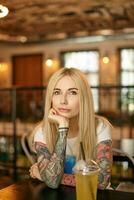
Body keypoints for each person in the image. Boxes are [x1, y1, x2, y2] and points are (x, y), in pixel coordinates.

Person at [29, 67, 113, 189]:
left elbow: (101, 181)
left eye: (72, 92)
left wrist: (46, 176)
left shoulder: (100, 127)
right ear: (50, 98)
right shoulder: (42, 132)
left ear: (84, 98)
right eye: (57, 92)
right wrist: (63, 127)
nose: (63, 100)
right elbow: (52, 182)